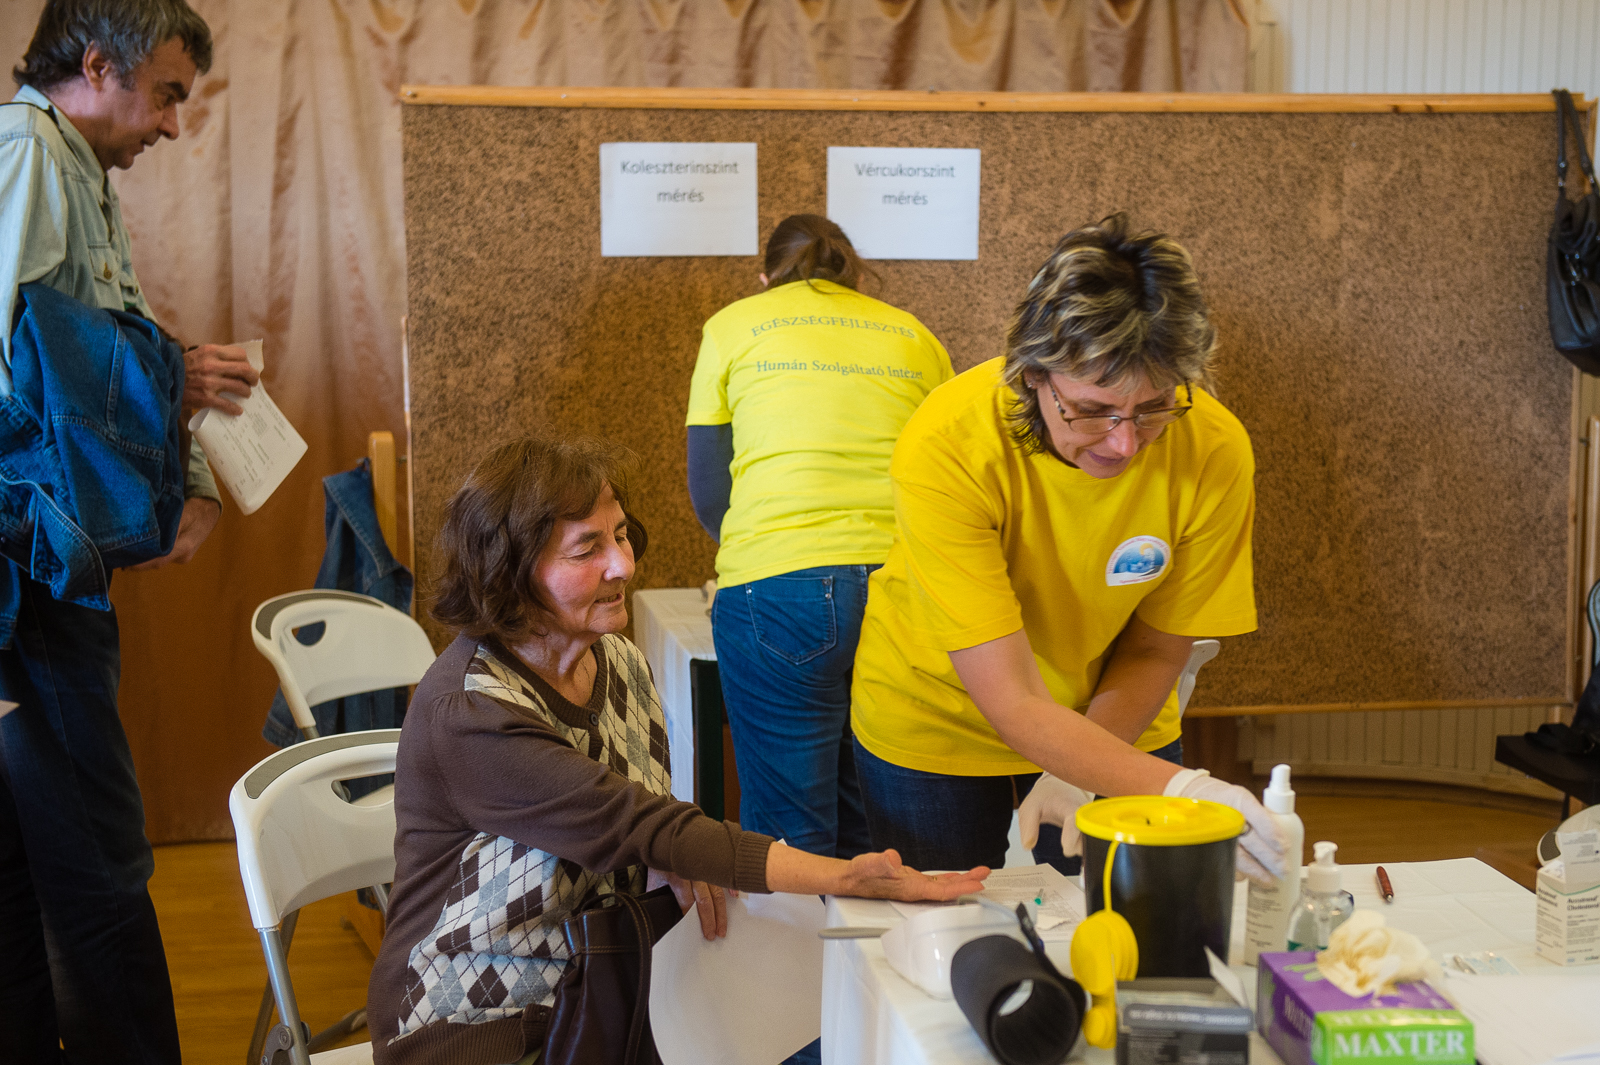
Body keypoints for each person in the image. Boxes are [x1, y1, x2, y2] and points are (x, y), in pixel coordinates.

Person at [367, 437, 987, 1065]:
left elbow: (640, 822)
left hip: (603, 995)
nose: (623, 566)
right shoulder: (469, 712)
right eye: (589, 548)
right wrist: (845, 874)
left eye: (622, 535)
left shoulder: (619, 662)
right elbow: (635, 821)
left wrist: (659, 859)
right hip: (475, 1025)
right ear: (512, 572)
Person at [847, 214, 1286, 882]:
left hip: (1118, 712)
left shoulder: (1214, 449)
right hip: (939, 721)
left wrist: (1083, 766)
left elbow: (1156, 647)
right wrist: (1186, 789)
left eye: (1153, 408)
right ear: (1031, 375)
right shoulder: (948, 442)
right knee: (944, 942)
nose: (1125, 443)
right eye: (1091, 410)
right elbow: (1015, 698)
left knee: (1124, 929)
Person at [0, 3, 260, 1061]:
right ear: (97, 66)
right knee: (103, 867)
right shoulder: (28, 157)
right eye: (165, 95)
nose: (172, 126)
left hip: (39, 573)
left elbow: (89, 353)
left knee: (21, 862)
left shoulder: (72, 169)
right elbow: (23, 366)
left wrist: (185, 461)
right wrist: (169, 374)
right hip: (30, 585)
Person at [685, 214, 952, 867]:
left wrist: (760, 547)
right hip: (902, 585)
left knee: (787, 835)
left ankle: (795, 971)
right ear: (855, 277)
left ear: (765, 277)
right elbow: (946, 471)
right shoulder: (915, 335)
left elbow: (707, 486)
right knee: (879, 823)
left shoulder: (731, 325)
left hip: (777, 586)